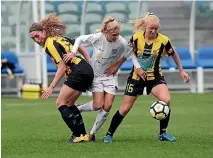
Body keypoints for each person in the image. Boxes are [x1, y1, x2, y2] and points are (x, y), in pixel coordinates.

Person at [103, 13, 190, 143]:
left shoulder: (164, 40)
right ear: (145, 26)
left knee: (166, 100)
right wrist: (116, 66)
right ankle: (109, 134)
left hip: (155, 78)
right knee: (125, 108)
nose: (153, 31)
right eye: (151, 28)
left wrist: (181, 71)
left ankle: (163, 133)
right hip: (136, 79)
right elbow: (127, 54)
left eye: (156, 28)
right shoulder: (136, 38)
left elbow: (174, 54)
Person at [63, 16, 142, 141]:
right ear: (106, 32)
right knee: (98, 105)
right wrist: (73, 52)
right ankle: (79, 108)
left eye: (118, 34)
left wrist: (137, 67)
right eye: (114, 35)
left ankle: (92, 134)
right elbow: (80, 39)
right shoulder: (98, 37)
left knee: (108, 105)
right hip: (96, 75)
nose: (116, 37)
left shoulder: (121, 42)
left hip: (110, 77)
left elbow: (130, 54)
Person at [29, 13, 94, 143]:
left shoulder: (49, 43)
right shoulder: (59, 38)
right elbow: (78, 45)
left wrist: (51, 87)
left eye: (37, 36)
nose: (37, 40)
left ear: (44, 31)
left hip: (78, 71)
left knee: (61, 103)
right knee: (69, 103)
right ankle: (83, 135)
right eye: (33, 39)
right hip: (85, 70)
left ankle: (77, 135)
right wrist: (88, 61)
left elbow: (62, 67)